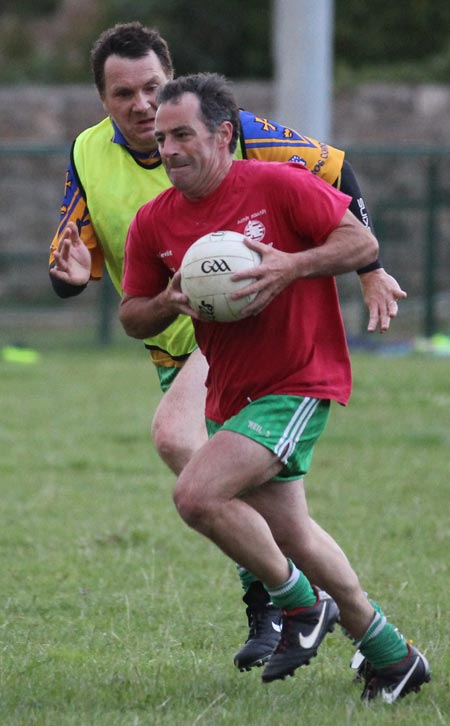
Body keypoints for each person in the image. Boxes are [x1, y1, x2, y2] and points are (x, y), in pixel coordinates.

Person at [48, 22, 407, 672]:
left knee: (184, 455)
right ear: (101, 99)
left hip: (243, 330)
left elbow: (337, 173)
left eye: (152, 88)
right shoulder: (88, 154)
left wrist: (368, 266)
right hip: (173, 340)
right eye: (122, 93)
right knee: (280, 518)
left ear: (175, 85)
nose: (141, 105)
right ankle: (381, 647)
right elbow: (73, 252)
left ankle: (285, 598)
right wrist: (68, 277)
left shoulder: (232, 131)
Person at [119, 71, 430, 701]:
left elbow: (358, 240)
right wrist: (169, 301)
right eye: (162, 136)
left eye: (183, 134)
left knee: (196, 495)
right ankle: (392, 656)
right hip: (232, 390)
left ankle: (297, 604)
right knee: (296, 534)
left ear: (224, 135)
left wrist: (291, 264)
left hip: (298, 379)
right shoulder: (154, 221)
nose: (169, 148)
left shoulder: (279, 185)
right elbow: (131, 313)